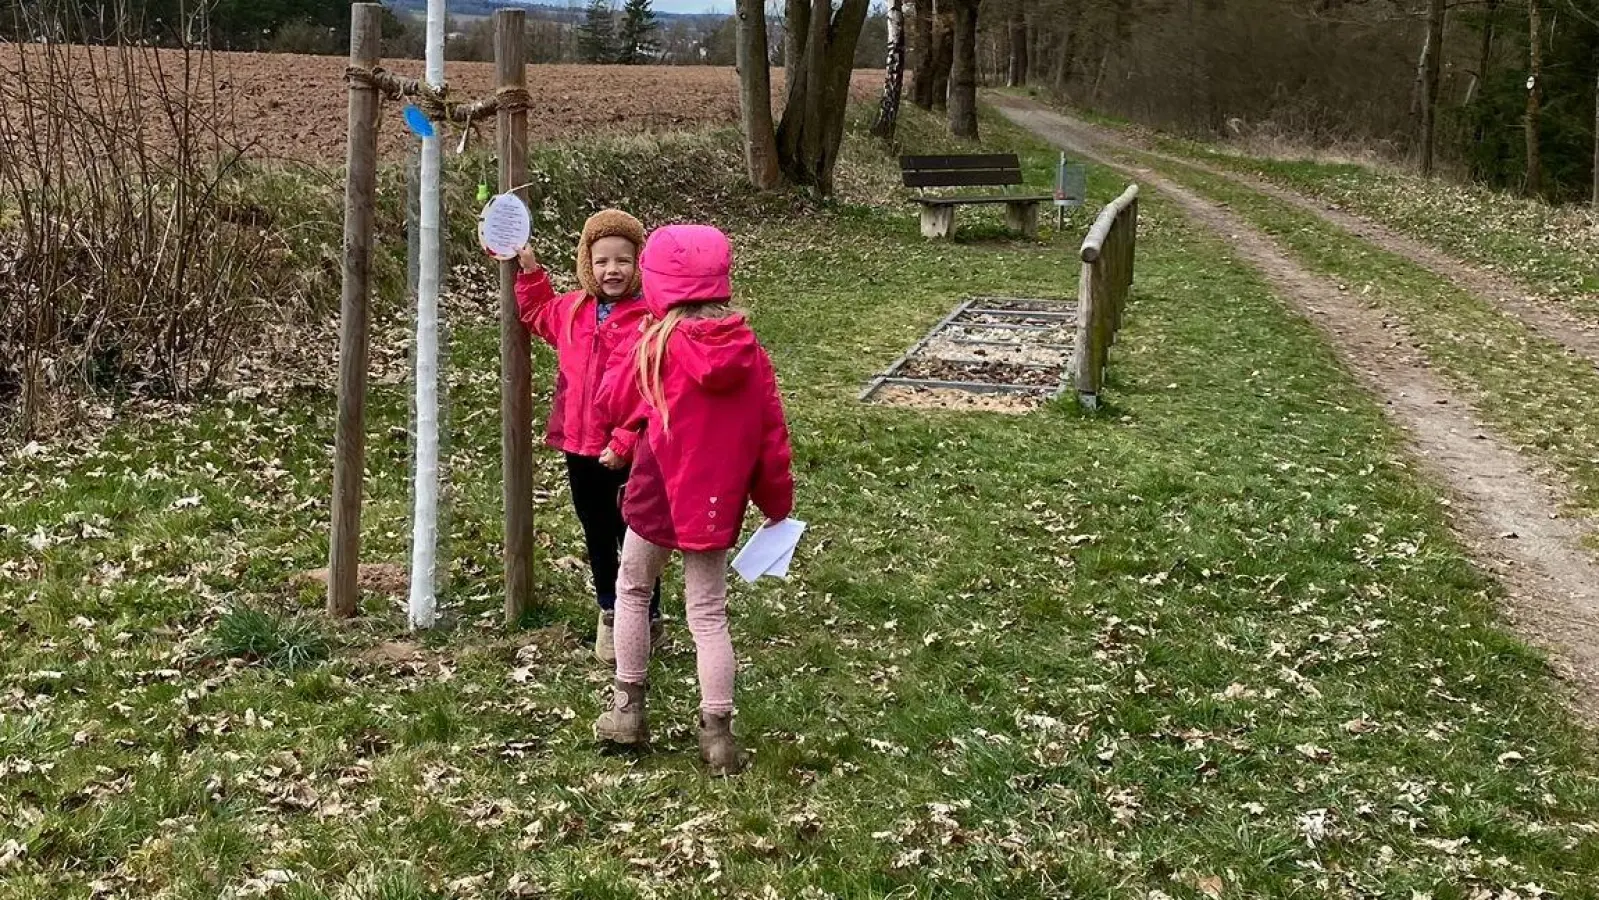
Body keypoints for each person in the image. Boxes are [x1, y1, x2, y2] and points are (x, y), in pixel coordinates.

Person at [592, 224, 795, 776]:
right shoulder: (750, 353)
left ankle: (628, 712)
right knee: (708, 614)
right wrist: (776, 505)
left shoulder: (653, 345)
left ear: (657, 284)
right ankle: (719, 738)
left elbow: (611, 402)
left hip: (658, 494)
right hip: (715, 501)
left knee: (633, 588)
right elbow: (770, 436)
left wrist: (628, 348)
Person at [514, 209, 663, 661]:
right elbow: (538, 313)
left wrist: (627, 437)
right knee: (596, 530)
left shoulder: (650, 318)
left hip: (629, 449)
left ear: (639, 264)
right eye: (601, 261)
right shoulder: (574, 309)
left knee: (633, 534)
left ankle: (648, 618)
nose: (611, 270)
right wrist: (530, 272)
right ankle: (610, 613)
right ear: (586, 263)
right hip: (579, 445)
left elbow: (651, 384)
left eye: (622, 260)